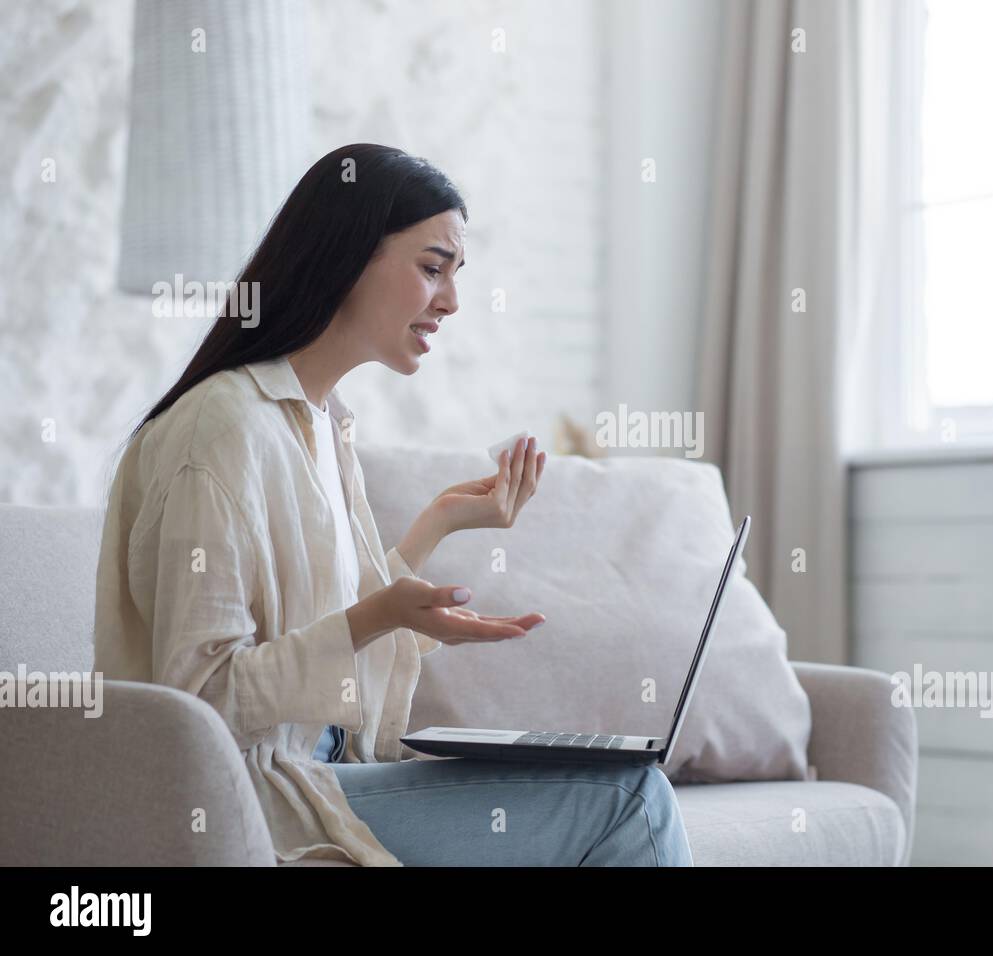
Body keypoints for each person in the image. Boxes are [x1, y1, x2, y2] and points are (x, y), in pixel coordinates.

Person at [92, 143, 694, 867]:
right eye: (431, 267)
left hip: (323, 774)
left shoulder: (320, 422)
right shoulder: (221, 432)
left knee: (626, 787)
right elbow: (196, 707)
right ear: (347, 255)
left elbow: (323, 629)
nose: (451, 300)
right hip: (259, 801)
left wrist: (439, 522)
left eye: (455, 274)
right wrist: (377, 616)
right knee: (631, 799)